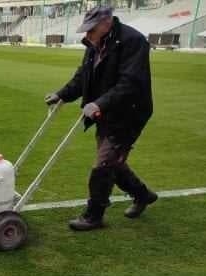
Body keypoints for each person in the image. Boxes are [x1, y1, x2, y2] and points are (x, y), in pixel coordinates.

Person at [44, 6, 158, 231]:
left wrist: (99, 103)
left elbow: (130, 83)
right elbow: (83, 76)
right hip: (105, 112)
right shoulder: (95, 44)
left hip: (129, 112)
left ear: (106, 24)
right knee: (113, 161)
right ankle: (142, 195)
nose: (86, 35)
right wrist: (61, 95)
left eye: (90, 30)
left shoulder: (133, 41)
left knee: (104, 164)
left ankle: (94, 215)